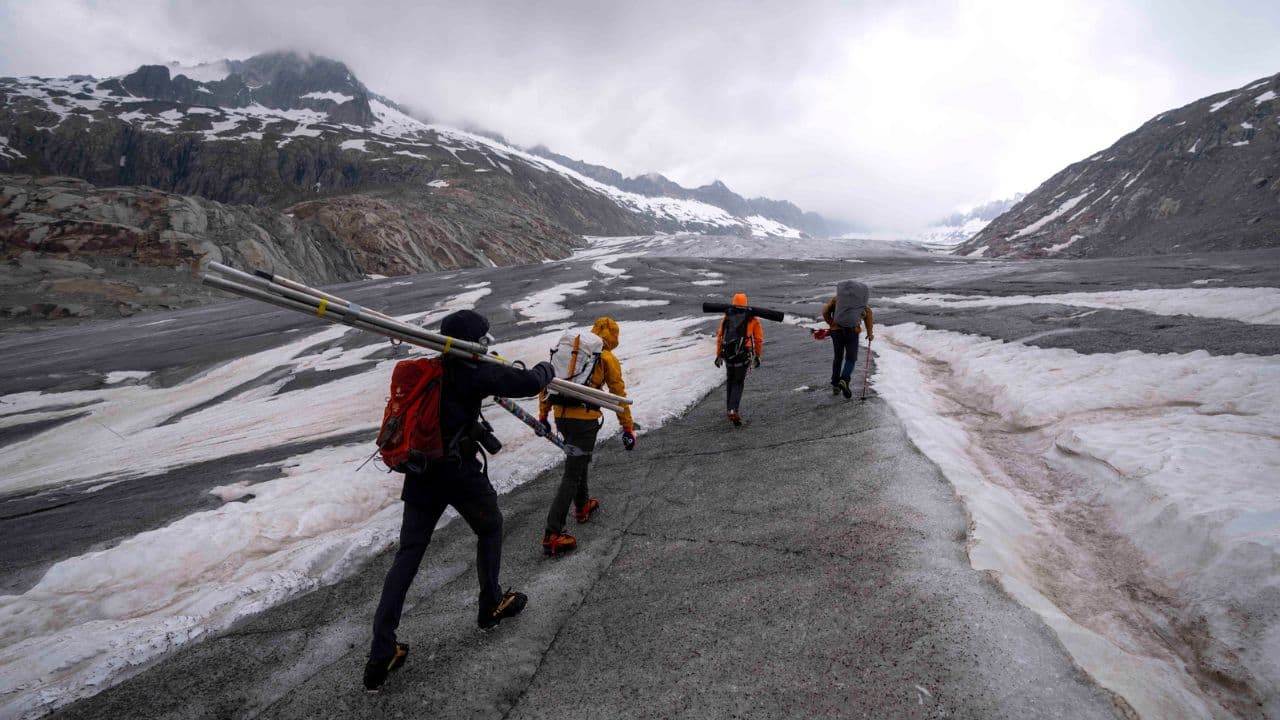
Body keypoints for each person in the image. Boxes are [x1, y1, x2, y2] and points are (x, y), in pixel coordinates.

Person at [365, 309, 556, 692]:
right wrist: (546, 369)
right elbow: (528, 382)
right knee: (491, 527)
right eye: (485, 336)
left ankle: (380, 652)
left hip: (420, 473)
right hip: (457, 473)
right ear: (475, 339)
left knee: (409, 554)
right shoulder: (476, 370)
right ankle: (491, 606)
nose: (489, 341)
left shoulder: (434, 367)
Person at [538, 316, 635, 556]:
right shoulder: (604, 356)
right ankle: (553, 533)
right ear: (613, 336)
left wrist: (544, 415)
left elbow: (548, 382)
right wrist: (628, 428)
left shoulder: (572, 352)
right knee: (572, 472)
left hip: (562, 417)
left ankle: (582, 505)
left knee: (578, 460)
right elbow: (617, 394)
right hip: (584, 421)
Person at [714, 293, 764, 427]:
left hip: (728, 353)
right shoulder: (752, 318)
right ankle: (733, 410)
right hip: (743, 354)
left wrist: (719, 355)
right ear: (746, 303)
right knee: (738, 382)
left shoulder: (727, 316)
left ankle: (729, 409)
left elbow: (720, 336)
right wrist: (757, 356)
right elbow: (758, 339)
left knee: (730, 380)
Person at [822, 284, 874, 399]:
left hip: (836, 332)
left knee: (838, 357)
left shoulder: (837, 298)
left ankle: (835, 384)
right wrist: (869, 333)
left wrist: (832, 323)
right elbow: (868, 315)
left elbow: (825, 311)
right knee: (851, 358)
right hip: (852, 331)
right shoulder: (860, 300)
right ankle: (844, 380)